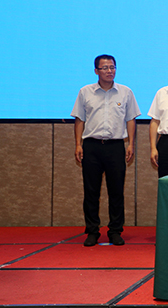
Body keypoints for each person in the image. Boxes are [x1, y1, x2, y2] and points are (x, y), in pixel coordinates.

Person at [71, 54, 140, 247]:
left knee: (116, 191)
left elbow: (131, 120)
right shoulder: (85, 92)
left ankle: (115, 231)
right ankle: (92, 231)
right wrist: (78, 144)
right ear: (96, 71)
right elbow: (79, 120)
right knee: (91, 191)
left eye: (112, 67)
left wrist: (131, 144)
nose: (110, 71)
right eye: (105, 68)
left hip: (116, 146)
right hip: (91, 146)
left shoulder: (125, 92)